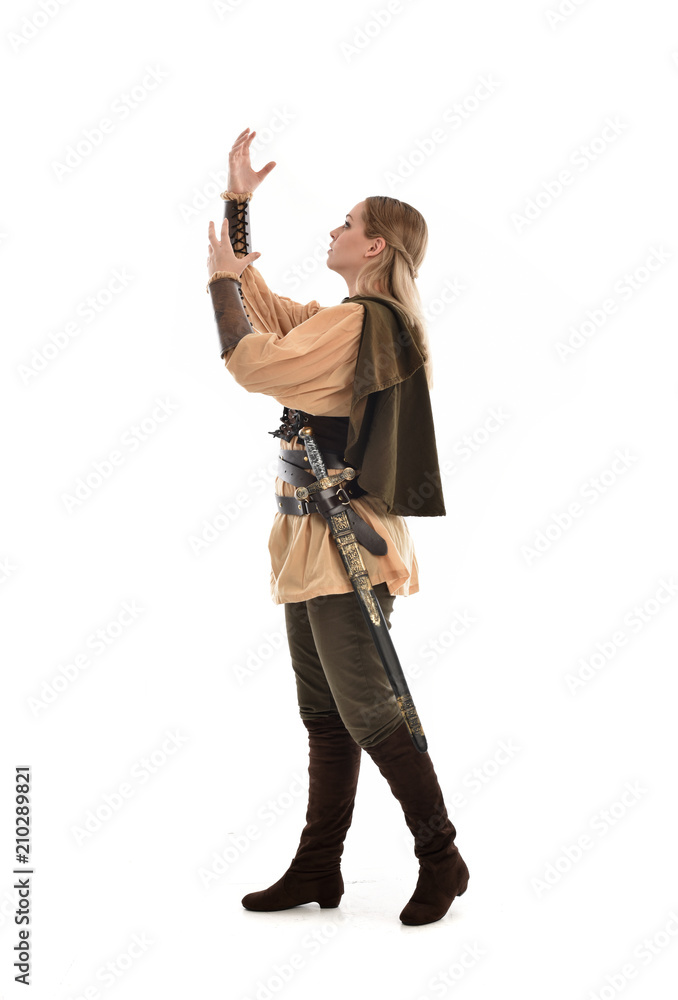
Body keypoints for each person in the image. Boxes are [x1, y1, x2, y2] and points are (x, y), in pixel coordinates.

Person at [205, 127, 470, 925]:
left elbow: (251, 359)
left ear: (375, 245)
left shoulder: (360, 323)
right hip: (310, 537)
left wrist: (221, 283)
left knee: (371, 711)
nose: (334, 229)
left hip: (345, 542)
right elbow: (267, 307)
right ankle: (319, 865)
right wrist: (237, 208)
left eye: (347, 223)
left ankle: (442, 856)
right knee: (325, 715)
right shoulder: (347, 319)